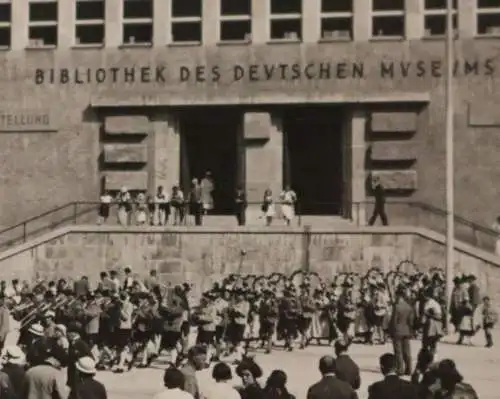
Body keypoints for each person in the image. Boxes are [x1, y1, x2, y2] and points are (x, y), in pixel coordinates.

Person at [389, 285, 415, 376]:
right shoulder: (409, 307)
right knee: (407, 351)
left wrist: (390, 330)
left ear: (398, 295)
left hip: (397, 330)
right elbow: (411, 321)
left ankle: (400, 369)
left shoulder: (396, 307)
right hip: (406, 330)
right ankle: (409, 369)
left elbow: (393, 320)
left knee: (398, 351)